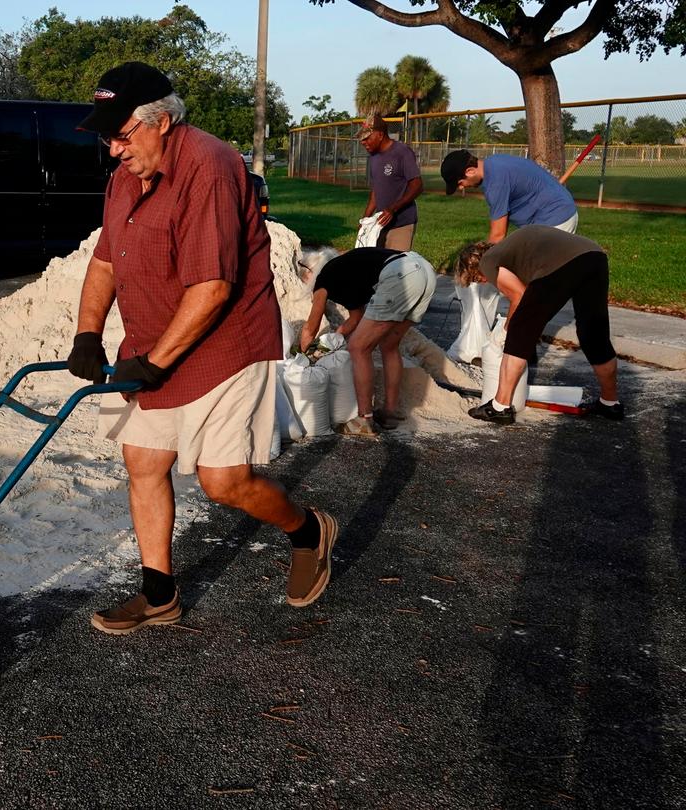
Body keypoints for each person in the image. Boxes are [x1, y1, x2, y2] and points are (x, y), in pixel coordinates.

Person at [67, 61, 340, 636]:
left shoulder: (210, 169)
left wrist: (156, 363)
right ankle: (159, 595)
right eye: (107, 137)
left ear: (161, 121)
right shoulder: (125, 176)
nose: (114, 150)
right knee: (142, 461)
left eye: (121, 135)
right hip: (153, 342)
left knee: (224, 481)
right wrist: (88, 333)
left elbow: (213, 288)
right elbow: (106, 259)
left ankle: (308, 531)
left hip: (227, 344)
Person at [455, 226, 623, 425]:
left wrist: (506, 330)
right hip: (594, 257)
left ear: (474, 268)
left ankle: (500, 407)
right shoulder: (511, 252)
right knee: (593, 334)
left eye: (476, 279)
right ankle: (610, 402)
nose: (483, 282)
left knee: (519, 332)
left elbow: (519, 296)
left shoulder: (489, 261)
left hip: (560, 264)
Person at [297, 247, 437, 436]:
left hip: (400, 274)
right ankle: (389, 412)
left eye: (304, 275)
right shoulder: (348, 272)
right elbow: (355, 319)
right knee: (389, 345)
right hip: (425, 272)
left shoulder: (324, 278)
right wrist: (334, 339)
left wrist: (304, 358)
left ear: (311, 271)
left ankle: (364, 419)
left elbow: (310, 327)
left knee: (358, 348)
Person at [440, 149, 578, 243]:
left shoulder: (495, 183)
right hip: (553, 215)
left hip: (555, 220)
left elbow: (498, 236)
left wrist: (481, 266)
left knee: (537, 275)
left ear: (470, 171)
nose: (461, 187)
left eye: (460, 183)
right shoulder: (494, 162)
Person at [358, 113, 422, 250]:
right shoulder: (373, 157)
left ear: (380, 135)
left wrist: (393, 209)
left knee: (396, 266)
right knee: (378, 265)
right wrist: (365, 219)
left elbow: (417, 186)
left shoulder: (402, 152)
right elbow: (376, 191)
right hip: (381, 223)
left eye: (367, 138)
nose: (363, 142)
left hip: (401, 223)